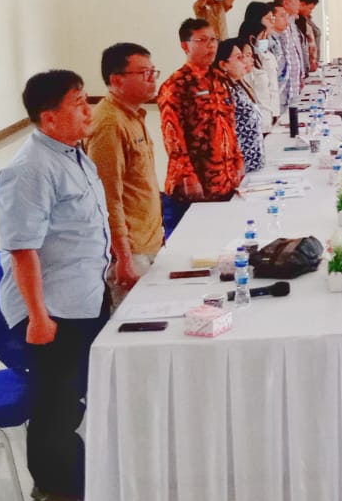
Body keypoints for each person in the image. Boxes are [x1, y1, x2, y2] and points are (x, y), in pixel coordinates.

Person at [0, 70, 111, 501]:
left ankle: (76, 470)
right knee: (56, 398)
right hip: (52, 306)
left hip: (80, 293)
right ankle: (52, 487)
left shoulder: (71, 154)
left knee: (74, 391)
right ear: (48, 118)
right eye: (79, 103)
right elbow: (22, 250)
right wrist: (38, 317)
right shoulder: (29, 170)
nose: (89, 110)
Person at [88, 43, 163, 296]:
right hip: (131, 251)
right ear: (116, 80)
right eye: (144, 74)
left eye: (154, 72)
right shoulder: (109, 123)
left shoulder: (133, 115)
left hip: (148, 241)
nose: (152, 80)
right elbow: (108, 198)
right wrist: (123, 257)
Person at [158, 18, 245, 204]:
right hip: (197, 183)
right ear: (185, 46)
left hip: (227, 180)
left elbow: (230, 125)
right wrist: (187, 175)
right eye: (202, 40)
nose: (211, 46)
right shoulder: (176, 85)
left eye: (214, 40)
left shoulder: (219, 79)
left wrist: (238, 159)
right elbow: (173, 138)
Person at [217, 38, 265, 178]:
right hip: (240, 169)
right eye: (239, 58)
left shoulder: (238, 85)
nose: (244, 61)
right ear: (223, 65)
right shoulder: (224, 91)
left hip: (253, 163)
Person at [272, 0, 309, 109]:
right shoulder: (276, 28)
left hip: (296, 91)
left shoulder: (293, 23)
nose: (299, 1)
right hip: (283, 97)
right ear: (286, 3)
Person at [296, 0, 322, 72]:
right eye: (310, 8)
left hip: (311, 64)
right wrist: (311, 61)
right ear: (302, 4)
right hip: (306, 64)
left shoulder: (307, 19)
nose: (310, 11)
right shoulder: (299, 21)